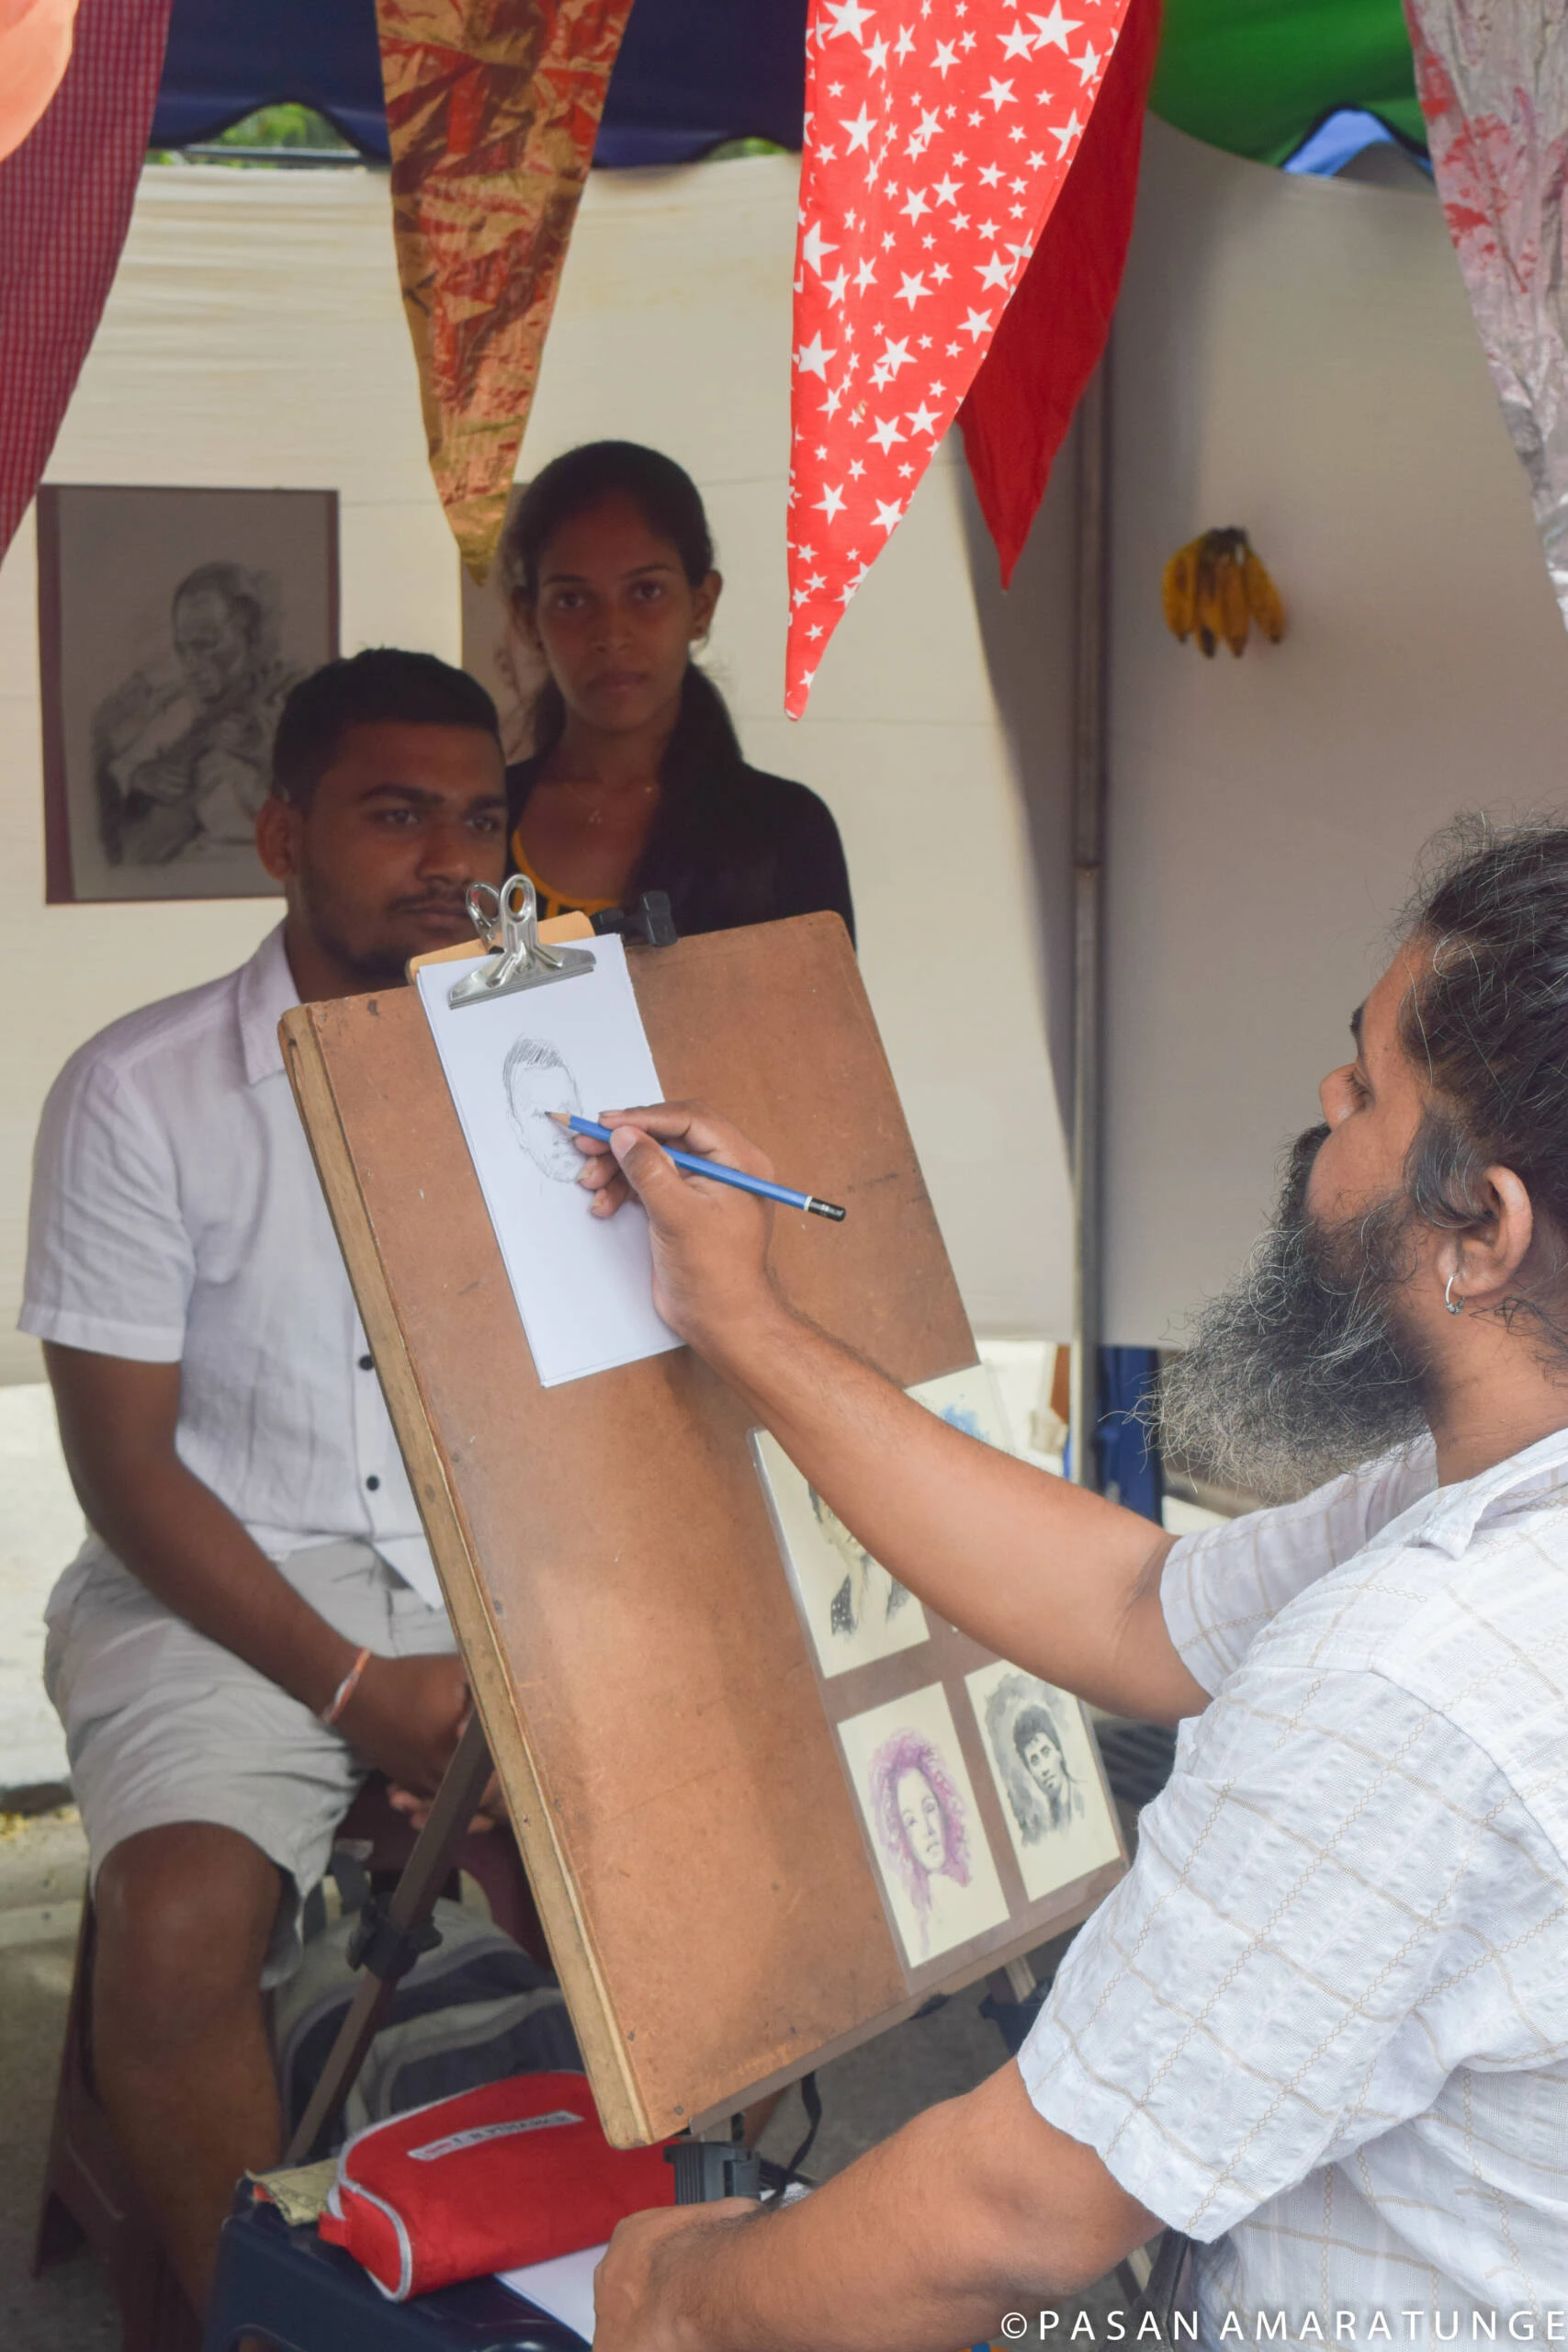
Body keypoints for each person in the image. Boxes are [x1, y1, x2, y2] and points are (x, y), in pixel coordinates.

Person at [572, 818, 1568, 2344]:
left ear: (1480, 1233)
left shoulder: (1407, 1674)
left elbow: (1014, 2216)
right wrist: (743, 1322)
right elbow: (1132, 1608)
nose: (1326, 1103)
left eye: (1366, 1087)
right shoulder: (1484, 1494)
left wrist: (678, 2297)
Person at [23, 648, 509, 2316]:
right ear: (278, 834)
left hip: (490, 1567)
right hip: (215, 1579)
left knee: (698, 1889)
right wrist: (358, 1688)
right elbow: (122, 1469)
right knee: (171, 1933)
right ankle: (278, 2324)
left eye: (478, 816)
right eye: (396, 815)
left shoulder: (543, 1070)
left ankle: (587, 2268)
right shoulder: (137, 1091)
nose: (452, 859)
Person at [498, 441, 855, 940]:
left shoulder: (783, 831)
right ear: (527, 618)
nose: (611, 634)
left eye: (646, 591)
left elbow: (820, 1018)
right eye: (573, 599)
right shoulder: (483, 820)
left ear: (702, 605)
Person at [93, 560, 298, 865]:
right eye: (183, 650)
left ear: (250, 634)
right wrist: (142, 776)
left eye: (207, 645)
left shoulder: (292, 700)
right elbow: (123, 767)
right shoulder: (179, 706)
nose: (191, 666)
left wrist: (261, 754)